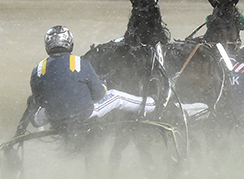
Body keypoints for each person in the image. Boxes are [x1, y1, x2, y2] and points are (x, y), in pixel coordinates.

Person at [15, 25, 155, 136]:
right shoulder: (80, 62)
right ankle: (152, 104)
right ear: (70, 43)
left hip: (53, 118)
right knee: (117, 97)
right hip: (82, 116)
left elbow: (39, 101)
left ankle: (22, 127)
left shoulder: (37, 69)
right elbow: (99, 94)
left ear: (48, 45)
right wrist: (103, 86)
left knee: (41, 113)